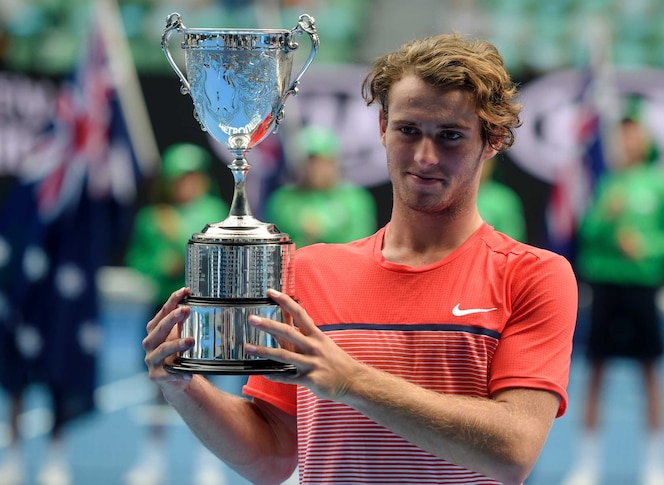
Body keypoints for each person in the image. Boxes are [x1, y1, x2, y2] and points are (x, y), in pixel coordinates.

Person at [141, 33, 578, 484]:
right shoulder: (308, 272)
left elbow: (515, 449)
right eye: (409, 130)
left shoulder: (534, 276)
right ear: (383, 126)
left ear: (493, 140)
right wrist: (185, 387)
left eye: (450, 136)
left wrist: (353, 381)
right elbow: (270, 456)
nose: (425, 157)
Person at [564, 102, 664, 485]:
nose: (629, 139)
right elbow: (585, 238)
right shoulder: (605, 183)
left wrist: (647, 246)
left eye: (634, 131)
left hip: (642, 289)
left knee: (651, 374)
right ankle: (586, 465)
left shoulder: (663, 183)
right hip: (606, 289)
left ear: (645, 137)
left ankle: (655, 465)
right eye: (623, 132)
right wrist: (606, 219)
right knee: (595, 374)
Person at [123, 143, 230, 485]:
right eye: (181, 177)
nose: (188, 183)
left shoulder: (215, 211)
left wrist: (183, 265)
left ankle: (208, 462)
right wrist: (159, 266)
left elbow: (221, 260)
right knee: (159, 385)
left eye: (194, 176)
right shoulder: (152, 218)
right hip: (162, 312)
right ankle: (152, 459)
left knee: (207, 388)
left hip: (204, 313)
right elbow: (138, 260)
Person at [265, 125, 377, 248]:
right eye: (310, 161)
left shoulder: (356, 198)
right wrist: (306, 237)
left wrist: (323, 233)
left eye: (322, 161)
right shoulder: (282, 199)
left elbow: (360, 246)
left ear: (334, 162)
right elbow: (275, 248)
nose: (315, 169)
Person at [477, 156, 526, 241]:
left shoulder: (505, 199)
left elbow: (513, 241)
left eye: (485, 161)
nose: (480, 166)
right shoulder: (454, 194)